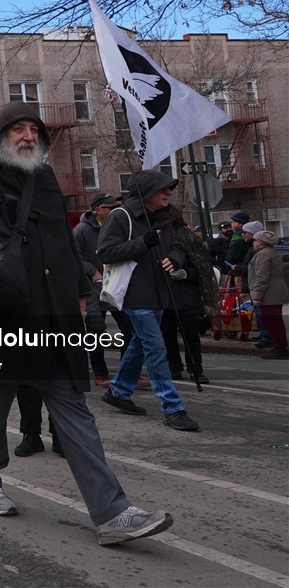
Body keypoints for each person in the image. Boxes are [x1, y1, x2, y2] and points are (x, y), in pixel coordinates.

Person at [0, 66, 172, 546]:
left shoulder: (47, 178)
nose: (29, 136)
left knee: (73, 408)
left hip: (53, 317)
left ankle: (112, 513)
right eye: (18, 128)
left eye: (34, 129)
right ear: (0, 135)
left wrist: (80, 293)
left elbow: (61, 244)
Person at [97, 171, 199, 432]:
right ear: (146, 193)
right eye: (163, 189)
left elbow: (176, 247)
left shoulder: (164, 217)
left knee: (141, 345)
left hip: (160, 294)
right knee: (155, 347)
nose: (169, 193)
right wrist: (143, 242)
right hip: (135, 294)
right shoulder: (120, 216)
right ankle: (172, 406)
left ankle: (118, 391)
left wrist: (174, 259)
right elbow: (106, 253)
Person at [72, 192, 138, 389]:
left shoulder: (118, 226)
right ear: (98, 210)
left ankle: (127, 373)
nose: (116, 210)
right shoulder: (81, 231)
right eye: (111, 207)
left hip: (116, 288)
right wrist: (93, 272)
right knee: (96, 333)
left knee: (130, 329)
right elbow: (74, 257)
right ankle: (100, 373)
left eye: (117, 206)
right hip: (93, 290)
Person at [160, 209, 218, 383]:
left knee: (190, 335)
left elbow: (203, 269)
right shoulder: (159, 239)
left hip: (186, 295)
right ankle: (174, 366)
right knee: (167, 334)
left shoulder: (190, 239)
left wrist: (184, 273)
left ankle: (195, 368)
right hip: (164, 295)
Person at [248, 230, 289, 359]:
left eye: (254, 240)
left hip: (269, 293)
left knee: (271, 322)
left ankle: (279, 348)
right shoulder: (272, 252)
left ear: (260, 242)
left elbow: (261, 276)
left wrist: (257, 296)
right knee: (275, 321)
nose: (252, 242)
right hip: (275, 291)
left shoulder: (263, 254)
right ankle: (279, 347)